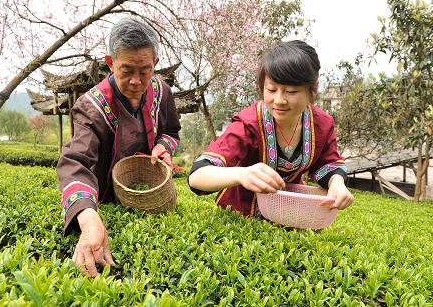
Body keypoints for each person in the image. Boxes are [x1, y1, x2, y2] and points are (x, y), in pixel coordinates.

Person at [57, 18, 181, 277]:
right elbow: (76, 161)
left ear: (155, 64)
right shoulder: (91, 106)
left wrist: (162, 146)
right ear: (111, 63)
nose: (136, 81)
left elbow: (171, 132)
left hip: (149, 193)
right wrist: (88, 216)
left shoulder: (162, 91)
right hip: (106, 197)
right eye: (126, 71)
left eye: (144, 71)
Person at [188, 40, 353, 217]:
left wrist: (337, 183)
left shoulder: (322, 123)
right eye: (272, 89)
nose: (279, 100)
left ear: (313, 90)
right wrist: (242, 174)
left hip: (288, 214)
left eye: (291, 92)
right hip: (241, 214)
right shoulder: (249, 124)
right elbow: (197, 176)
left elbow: (328, 164)